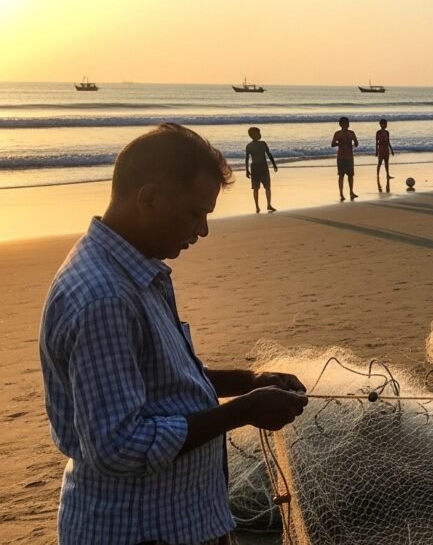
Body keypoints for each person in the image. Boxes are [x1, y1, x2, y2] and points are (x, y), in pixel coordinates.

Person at [39, 123, 309, 544]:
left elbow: (162, 380)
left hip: (183, 521)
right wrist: (242, 412)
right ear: (148, 199)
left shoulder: (138, 271)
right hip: (139, 531)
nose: (201, 231)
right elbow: (119, 445)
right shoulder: (103, 297)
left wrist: (249, 382)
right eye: (195, 213)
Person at [245, 126, 278, 213]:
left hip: (260, 167)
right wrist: (247, 170)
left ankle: (268, 205)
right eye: (258, 133)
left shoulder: (262, 143)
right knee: (257, 188)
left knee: (267, 187)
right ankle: (257, 206)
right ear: (253, 135)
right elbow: (247, 159)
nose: (260, 135)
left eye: (260, 133)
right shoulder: (250, 146)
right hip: (258, 168)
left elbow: (269, 154)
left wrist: (274, 164)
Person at [331, 116, 359, 201]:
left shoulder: (351, 133)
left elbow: (356, 143)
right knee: (341, 175)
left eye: (347, 123)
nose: (346, 125)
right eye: (344, 123)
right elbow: (332, 144)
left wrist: (354, 144)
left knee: (351, 175)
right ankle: (341, 194)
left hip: (350, 156)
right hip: (341, 157)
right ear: (341, 124)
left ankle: (351, 192)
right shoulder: (337, 133)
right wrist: (339, 143)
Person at [375, 118, 395, 192]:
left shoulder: (387, 132)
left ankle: (387, 175)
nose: (385, 125)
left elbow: (388, 141)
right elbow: (376, 142)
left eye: (386, 124)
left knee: (387, 163)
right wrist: (376, 151)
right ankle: (377, 175)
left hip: (386, 149)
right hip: (381, 149)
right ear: (381, 124)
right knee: (379, 163)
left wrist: (391, 150)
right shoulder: (378, 132)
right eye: (384, 124)